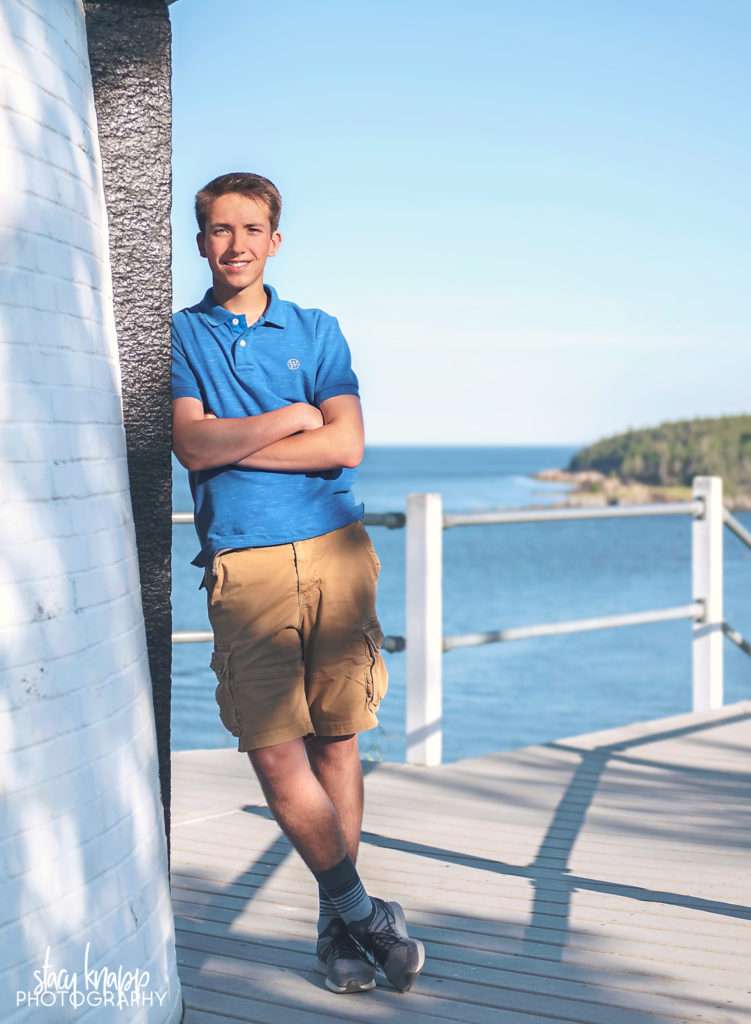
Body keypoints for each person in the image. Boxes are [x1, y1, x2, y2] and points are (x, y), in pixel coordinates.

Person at [170, 172, 426, 995]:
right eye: (218, 229)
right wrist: (289, 418)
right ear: (200, 241)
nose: (235, 243)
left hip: (335, 552)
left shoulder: (316, 330)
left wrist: (232, 436)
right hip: (243, 563)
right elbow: (191, 448)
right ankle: (363, 911)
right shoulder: (180, 336)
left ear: (275, 240)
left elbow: (345, 446)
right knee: (275, 753)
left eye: (251, 228)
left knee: (336, 741)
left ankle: (337, 935)